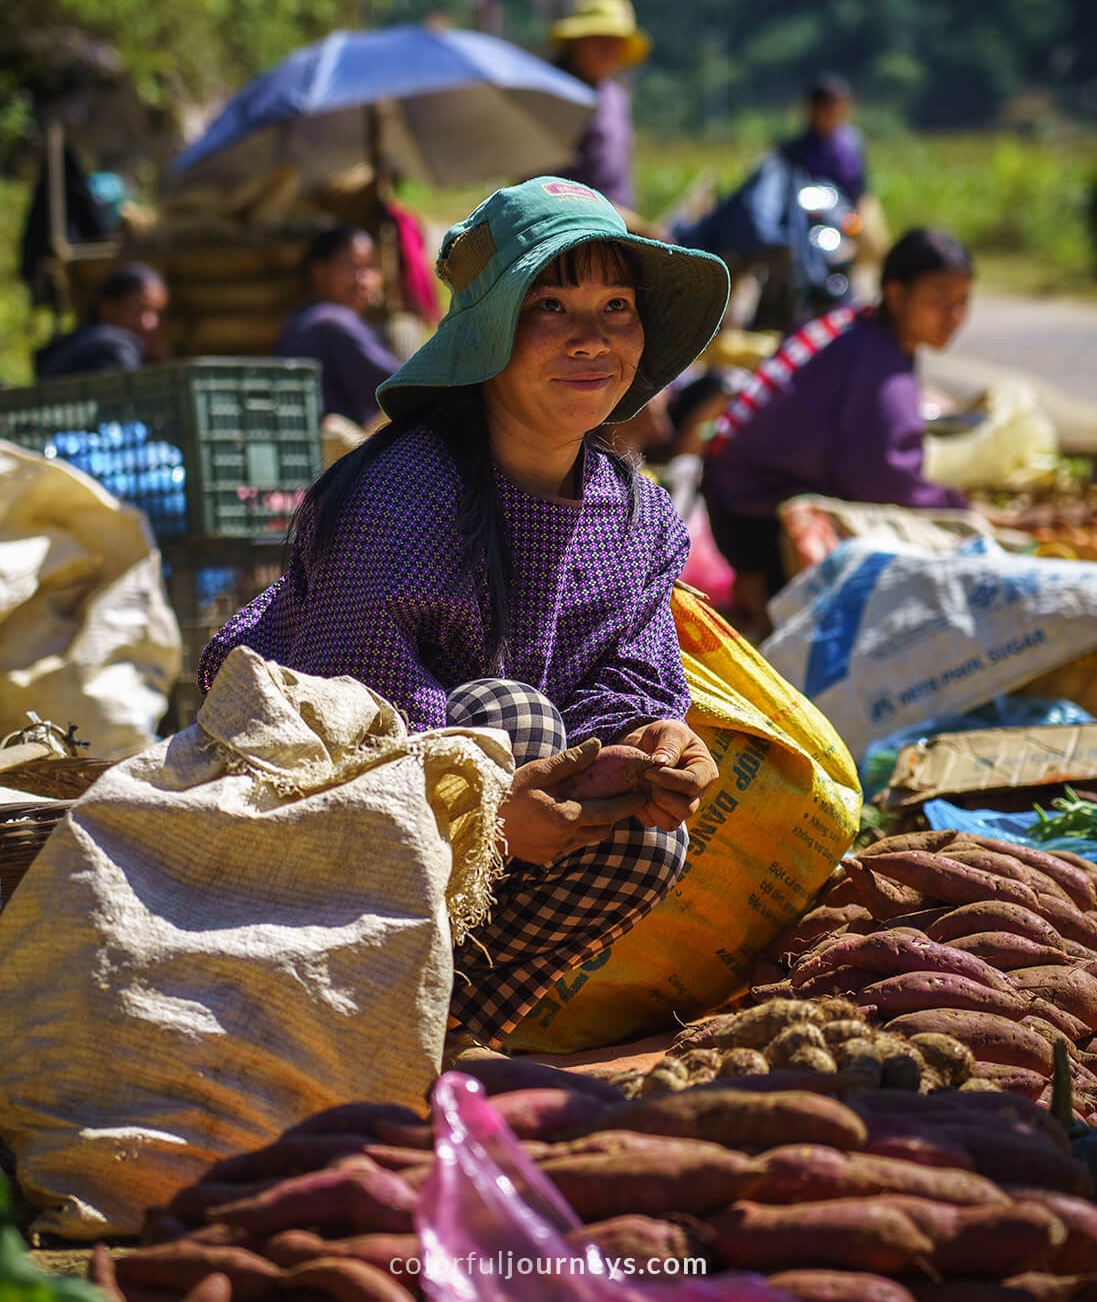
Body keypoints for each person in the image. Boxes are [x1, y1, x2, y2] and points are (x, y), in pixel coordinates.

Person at [197, 176, 730, 1049]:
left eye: (617, 306)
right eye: (549, 305)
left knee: (642, 829)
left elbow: (631, 680)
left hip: (487, 832)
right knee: (510, 717)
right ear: (488, 333)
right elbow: (343, 742)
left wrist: (655, 745)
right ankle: (335, 1022)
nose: (592, 338)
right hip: (304, 819)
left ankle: (441, 1032)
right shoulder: (401, 499)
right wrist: (485, 810)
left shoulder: (636, 520)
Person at [701, 227, 973, 633]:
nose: (952, 316)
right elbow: (883, 479)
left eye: (961, 302)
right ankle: (764, 592)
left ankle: (757, 593)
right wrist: (958, 507)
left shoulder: (849, 321)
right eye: (937, 300)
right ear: (897, 294)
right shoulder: (878, 360)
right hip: (753, 515)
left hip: (726, 490)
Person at [275, 226, 402, 426]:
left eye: (370, 267)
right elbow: (401, 390)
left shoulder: (299, 321)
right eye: (350, 267)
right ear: (319, 271)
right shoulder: (334, 322)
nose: (363, 280)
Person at [550, 0, 650, 212]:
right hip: (571, 226)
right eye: (600, 40)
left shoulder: (616, 97)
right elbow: (545, 190)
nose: (609, 50)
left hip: (618, 225)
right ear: (577, 43)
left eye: (616, 41)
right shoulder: (553, 98)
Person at [35, 263, 169, 378]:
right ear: (107, 307)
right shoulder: (113, 349)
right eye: (140, 309)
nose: (152, 324)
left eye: (159, 313)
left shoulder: (82, 343)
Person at [781, 73, 867, 207]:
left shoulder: (853, 142)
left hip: (850, 212)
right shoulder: (792, 150)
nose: (835, 113)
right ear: (813, 109)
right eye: (828, 107)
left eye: (839, 107)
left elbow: (862, 190)